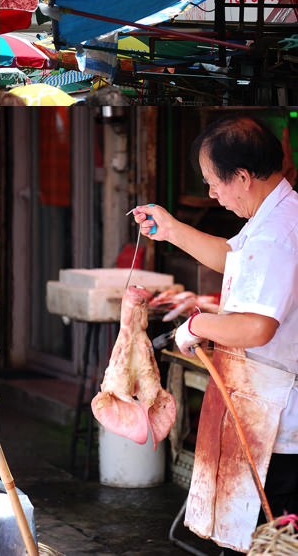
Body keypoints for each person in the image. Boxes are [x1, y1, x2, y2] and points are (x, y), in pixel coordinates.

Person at [134, 115, 298, 552]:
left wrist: (195, 325)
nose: (211, 193)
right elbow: (233, 257)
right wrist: (170, 230)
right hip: (267, 409)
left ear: (242, 177)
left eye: (214, 183)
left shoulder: (279, 234)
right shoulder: (277, 214)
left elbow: (257, 328)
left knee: (270, 541)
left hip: (281, 420)